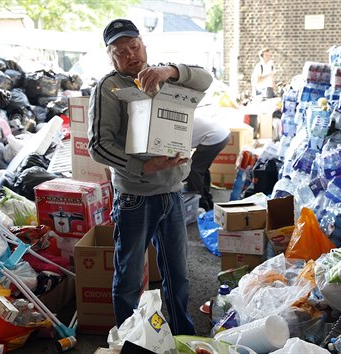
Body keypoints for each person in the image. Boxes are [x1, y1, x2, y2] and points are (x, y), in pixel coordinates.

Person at [87, 18, 213, 335]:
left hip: (172, 193)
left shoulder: (163, 76)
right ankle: (130, 337)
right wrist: (143, 166)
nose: (131, 55)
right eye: (121, 51)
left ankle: (183, 335)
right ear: (110, 57)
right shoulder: (109, 87)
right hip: (134, 198)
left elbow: (205, 79)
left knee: (178, 274)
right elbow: (98, 146)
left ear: (144, 44)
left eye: (135, 46)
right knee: (129, 276)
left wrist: (169, 71)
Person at [187, 106, 230, 211]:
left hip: (215, 136)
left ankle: (200, 203)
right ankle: (207, 200)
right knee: (201, 169)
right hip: (222, 134)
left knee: (194, 170)